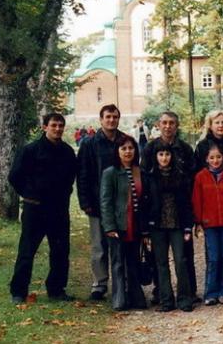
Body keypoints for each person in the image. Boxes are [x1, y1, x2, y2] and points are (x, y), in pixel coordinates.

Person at [8, 113, 77, 303]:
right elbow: (14, 176)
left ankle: (56, 289)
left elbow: (71, 177)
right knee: (27, 251)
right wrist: (28, 194)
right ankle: (18, 292)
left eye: (60, 126)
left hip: (58, 209)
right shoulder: (30, 150)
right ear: (44, 127)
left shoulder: (68, 152)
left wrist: (64, 195)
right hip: (35, 209)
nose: (57, 129)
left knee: (61, 251)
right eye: (54, 125)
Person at [141, 111, 198, 302]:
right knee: (160, 260)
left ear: (177, 125)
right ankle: (163, 294)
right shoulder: (150, 149)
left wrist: (190, 220)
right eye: (164, 122)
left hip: (179, 213)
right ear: (159, 124)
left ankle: (187, 294)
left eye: (172, 123)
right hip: (157, 216)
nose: (168, 126)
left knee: (183, 258)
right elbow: (145, 180)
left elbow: (192, 177)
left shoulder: (184, 148)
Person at [77, 104, 124, 300]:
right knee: (99, 245)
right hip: (96, 202)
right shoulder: (90, 143)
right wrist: (85, 201)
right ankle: (100, 283)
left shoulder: (124, 140)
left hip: (120, 202)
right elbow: (82, 174)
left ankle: (122, 282)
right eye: (108, 117)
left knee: (120, 244)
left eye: (114, 117)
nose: (111, 120)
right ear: (101, 119)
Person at [100, 135, 148, 311]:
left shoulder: (139, 171)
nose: (128, 152)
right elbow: (106, 202)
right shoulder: (110, 172)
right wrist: (110, 226)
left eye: (130, 148)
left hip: (135, 224)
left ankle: (136, 296)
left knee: (133, 261)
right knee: (118, 262)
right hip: (118, 225)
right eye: (124, 149)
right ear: (118, 151)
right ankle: (119, 298)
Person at [145, 143, 194, 312]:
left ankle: (184, 299)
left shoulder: (180, 175)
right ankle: (166, 300)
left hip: (177, 224)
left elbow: (187, 203)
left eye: (167, 154)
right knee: (161, 263)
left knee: (181, 260)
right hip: (157, 225)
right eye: (161, 154)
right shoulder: (149, 176)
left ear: (172, 156)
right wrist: (146, 230)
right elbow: (146, 203)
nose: (164, 157)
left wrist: (188, 227)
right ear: (156, 156)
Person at [192, 144, 223, 306]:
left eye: (218, 157)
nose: (215, 160)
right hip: (209, 223)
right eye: (212, 157)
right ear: (206, 159)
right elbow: (197, 200)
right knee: (213, 258)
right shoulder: (200, 177)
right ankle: (210, 292)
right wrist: (198, 222)